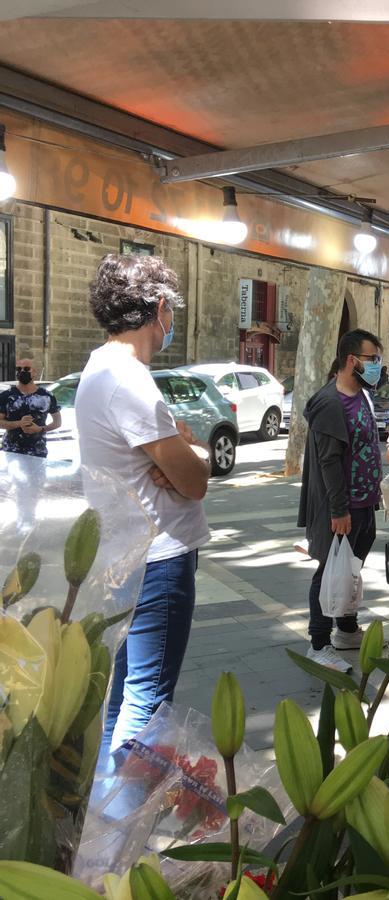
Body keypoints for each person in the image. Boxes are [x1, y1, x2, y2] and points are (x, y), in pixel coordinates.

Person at [78, 255, 212, 759]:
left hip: (123, 552)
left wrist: (177, 453)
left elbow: (173, 467)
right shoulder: (128, 380)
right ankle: (127, 804)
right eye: (171, 311)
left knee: (122, 694)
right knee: (148, 700)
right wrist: (193, 451)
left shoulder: (100, 367)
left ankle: (106, 798)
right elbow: (193, 481)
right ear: (159, 308)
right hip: (158, 557)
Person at [298, 328, 385, 670]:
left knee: (350, 569)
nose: (377, 365)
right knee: (330, 572)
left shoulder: (361, 394)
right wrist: (339, 509)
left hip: (363, 503)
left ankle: (346, 630)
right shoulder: (329, 403)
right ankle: (319, 643)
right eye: (372, 359)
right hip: (341, 508)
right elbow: (329, 462)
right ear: (352, 360)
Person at [1, 356, 61, 457]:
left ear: (34, 372)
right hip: (11, 451)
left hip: (38, 452)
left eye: (26, 369)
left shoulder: (47, 396)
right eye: (18, 369)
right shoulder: (6, 396)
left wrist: (40, 429)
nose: (22, 371)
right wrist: (19, 423)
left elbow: (57, 422)